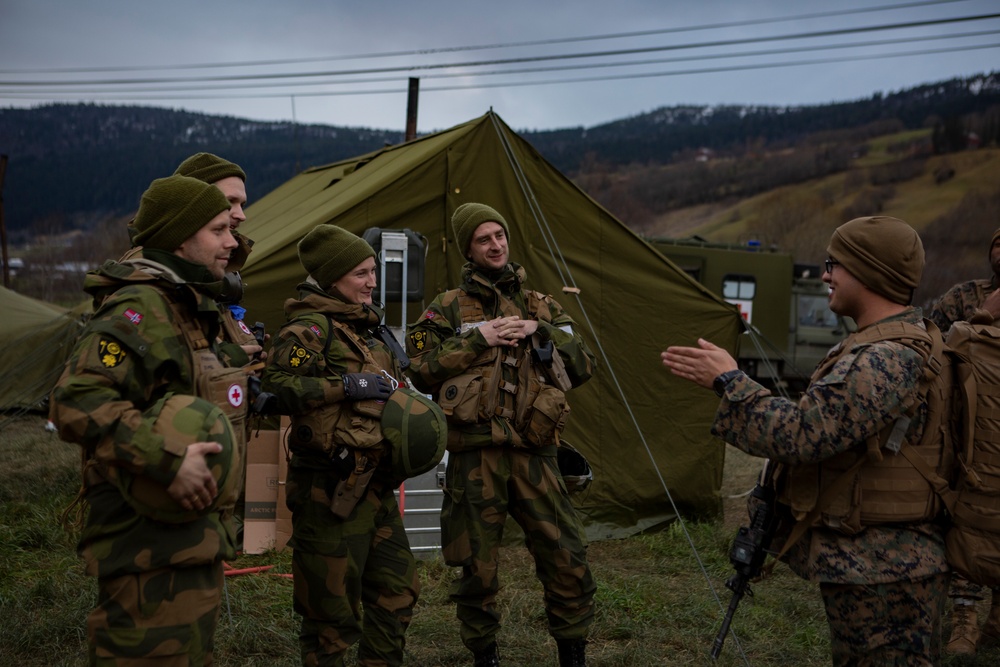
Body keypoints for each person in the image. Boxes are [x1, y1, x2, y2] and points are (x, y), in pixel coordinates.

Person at [663, 216, 950, 666]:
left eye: (834, 263)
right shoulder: (880, 346)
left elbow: (804, 434)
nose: (825, 275)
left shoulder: (884, 358)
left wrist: (729, 382)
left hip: (887, 567)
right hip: (878, 559)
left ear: (869, 271)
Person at [49, 174, 250, 666]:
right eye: (219, 229)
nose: (232, 241)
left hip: (181, 540)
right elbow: (75, 399)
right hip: (146, 551)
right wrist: (168, 461)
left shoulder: (182, 302)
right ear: (181, 236)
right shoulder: (142, 305)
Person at [405, 202, 597, 667]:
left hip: (537, 454)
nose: (496, 244)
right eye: (484, 238)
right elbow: (418, 367)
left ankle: (572, 652)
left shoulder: (541, 304)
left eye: (500, 235)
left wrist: (541, 330)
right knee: (476, 567)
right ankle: (483, 656)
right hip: (475, 459)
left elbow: (584, 364)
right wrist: (479, 338)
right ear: (470, 250)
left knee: (565, 555)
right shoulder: (446, 307)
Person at [260, 224, 419, 667]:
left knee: (397, 592)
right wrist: (346, 385)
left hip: (375, 484)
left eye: (373, 271)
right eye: (360, 274)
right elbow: (276, 386)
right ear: (333, 278)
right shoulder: (310, 328)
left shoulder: (367, 329)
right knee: (330, 617)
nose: (371, 282)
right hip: (328, 488)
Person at [928, 225, 1000, 655]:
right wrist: (983, 316)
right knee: (968, 521)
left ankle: (996, 623)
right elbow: (932, 339)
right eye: (997, 242)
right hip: (969, 427)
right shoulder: (964, 296)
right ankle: (964, 621)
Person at [172, 152, 262, 364]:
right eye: (230, 201)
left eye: (242, 204)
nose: (241, 215)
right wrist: (223, 357)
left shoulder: (219, 264)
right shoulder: (152, 272)